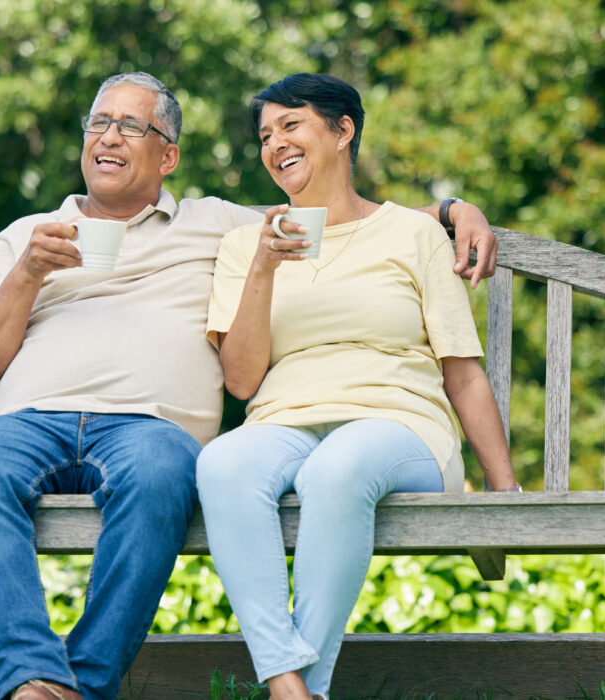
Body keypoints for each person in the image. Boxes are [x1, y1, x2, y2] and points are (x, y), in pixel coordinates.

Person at [0, 71, 501, 700]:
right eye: (99, 123)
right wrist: (29, 273)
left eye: (131, 126)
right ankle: (32, 682)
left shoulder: (214, 224)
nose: (110, 137)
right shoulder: (27, 236)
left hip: (150, 429)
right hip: (32, 421)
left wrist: (454, 211)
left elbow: (336, 215)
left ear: (168, 156)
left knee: (162, 476)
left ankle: (84, 684)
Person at [196, 73, 519, 700]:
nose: (275, 145)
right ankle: (290, 687)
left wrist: (503, 491)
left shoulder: (413, 233)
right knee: (223, 462)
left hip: (400, 427)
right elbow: (240, 381)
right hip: (284, 423)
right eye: (265, 135)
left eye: (292, 125)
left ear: (343, 131)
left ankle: (302, 691)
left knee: (336, 468)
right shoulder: (245, 245)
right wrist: (263, 267)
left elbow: (462, 371)